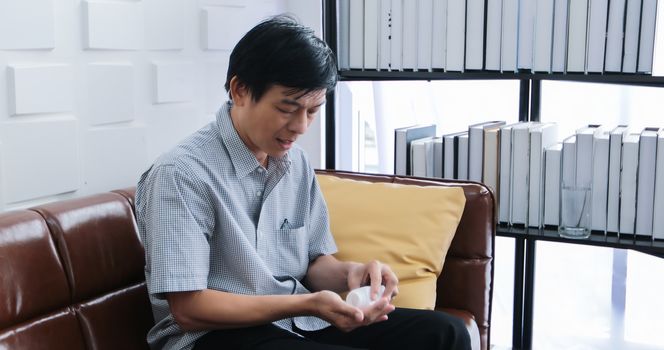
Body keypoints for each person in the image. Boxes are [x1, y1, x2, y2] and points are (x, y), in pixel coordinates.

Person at [135, 15, 471, 350]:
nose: (301, 126)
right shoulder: (180, 174)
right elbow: (189, 309)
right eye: (287, 108)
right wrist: (307, 304)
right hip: (217, 337)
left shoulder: (294, 162)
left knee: (447, 334)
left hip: (294, 322)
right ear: (239, 91)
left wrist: (352, 273)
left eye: (313, 111)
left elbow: (314, 263)